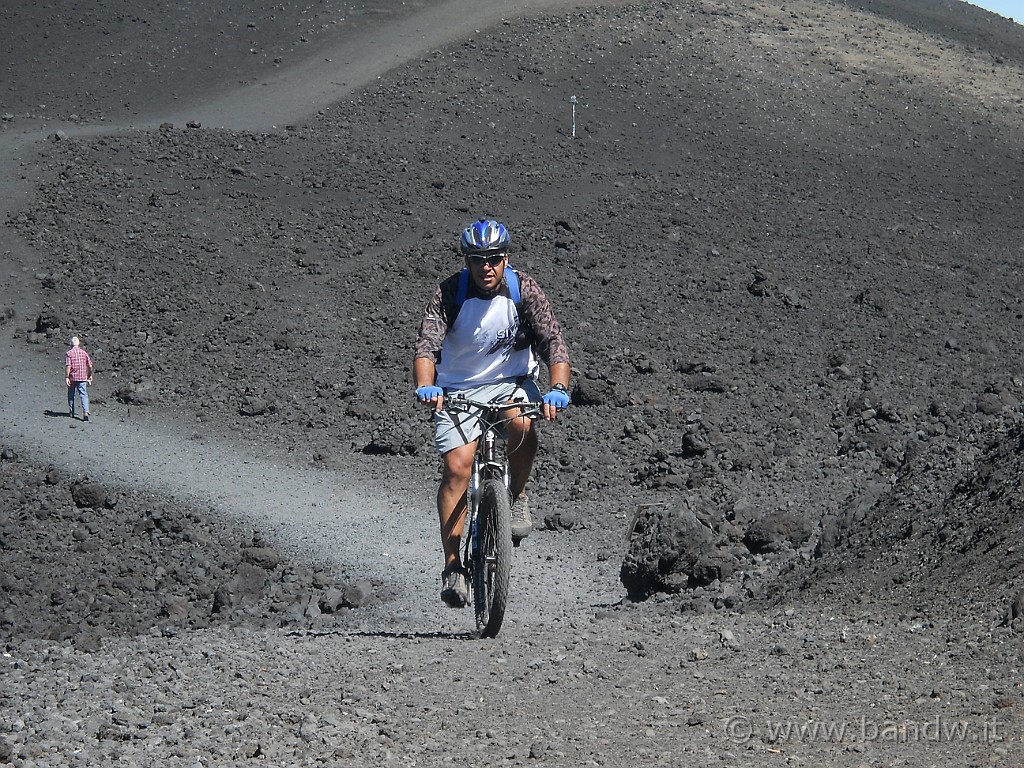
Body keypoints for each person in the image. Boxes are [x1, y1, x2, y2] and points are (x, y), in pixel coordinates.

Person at [413, 219, 571, 608]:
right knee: (457, 468)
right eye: (478, 259)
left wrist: (559, 389)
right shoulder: (450, 292)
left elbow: (553, 342)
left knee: (521, 424)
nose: (487, 267)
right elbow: (426, 347)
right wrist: (426, 386)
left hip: (512, 380)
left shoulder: (525, 289)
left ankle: (515, 495)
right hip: (458, 386)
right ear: (467, 261)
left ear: (506, 259)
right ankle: (454, 568)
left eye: (494, 259)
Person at [65, 336, 94, 421]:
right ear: (79, 344)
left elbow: (68, 366)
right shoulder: (84, 353)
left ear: (71, 344)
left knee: (71, 394)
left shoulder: (69, 353)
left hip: (72, 377)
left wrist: (66, 377)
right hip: (82, 377)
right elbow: (90, 365)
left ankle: (71, 411)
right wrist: (89, 375)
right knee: (83, 394)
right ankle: (86, 411)